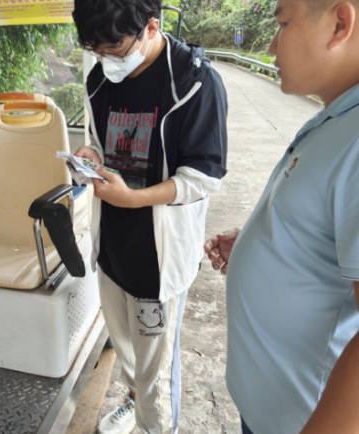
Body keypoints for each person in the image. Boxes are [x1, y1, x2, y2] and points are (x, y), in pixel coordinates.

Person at [72, 1, 228, 433]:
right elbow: (102, 143)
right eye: (96, 50)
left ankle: (156, 425)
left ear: (151, 28)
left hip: (157, 257)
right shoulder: (100, 79)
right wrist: (92, 156)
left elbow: (203, 177)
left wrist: (135, 199)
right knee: (126, 349)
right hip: (113, 247)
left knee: (156, 370)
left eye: (116, 49)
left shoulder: (194, 82)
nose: (107, 60)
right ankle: (134, 401)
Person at [205, 0, 359, 433]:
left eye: (283, 24)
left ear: (339, 24)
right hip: (267, 406)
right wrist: (266, 245)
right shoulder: (335, 116)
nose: (272, 47)